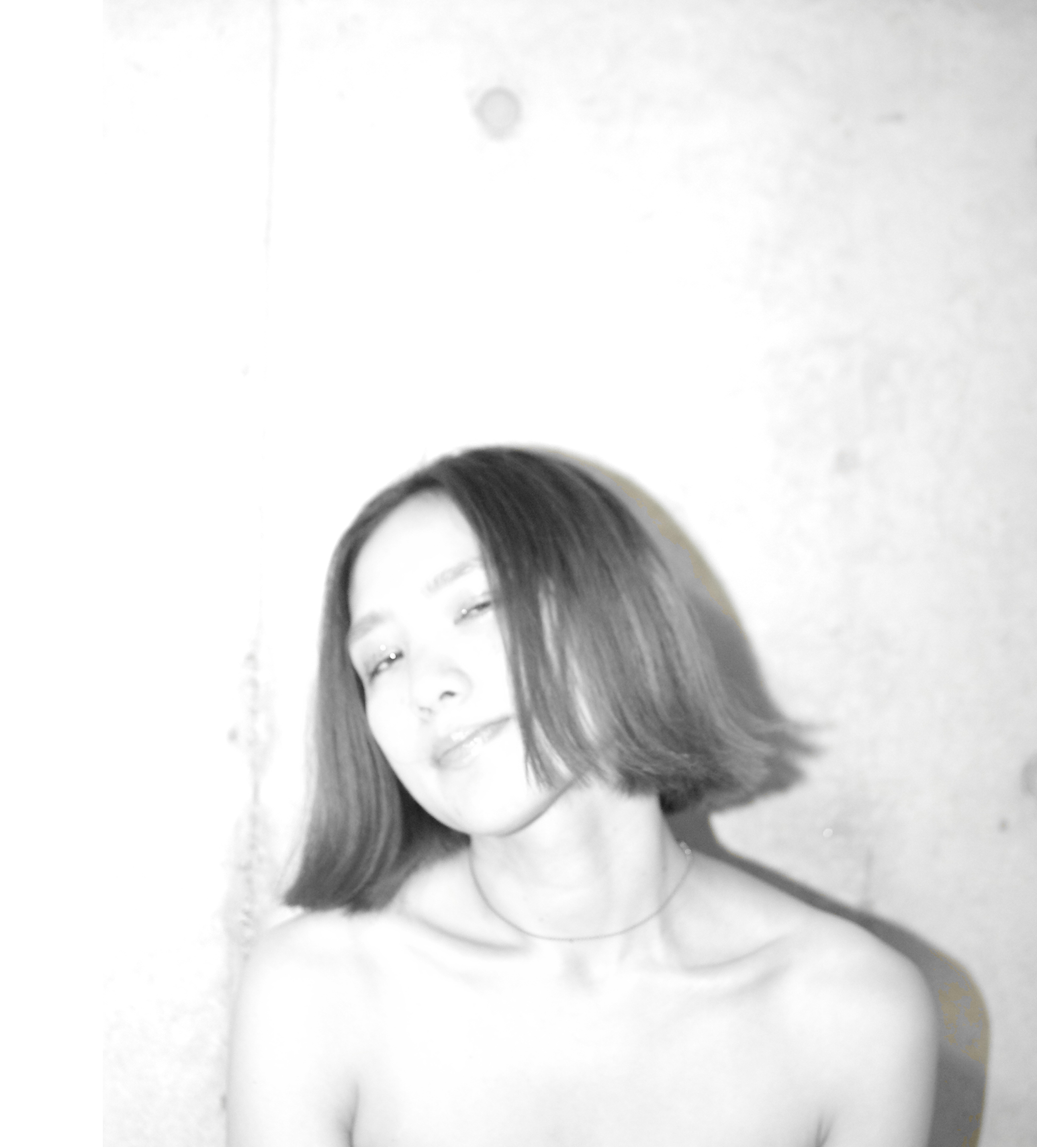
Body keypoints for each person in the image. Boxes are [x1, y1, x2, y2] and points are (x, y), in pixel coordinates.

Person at [227, 447, 937, 1147]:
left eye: (476, 604)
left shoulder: (854, 1012)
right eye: (383, 658)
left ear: (614, 612)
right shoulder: (317, 993)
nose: (425, 686)